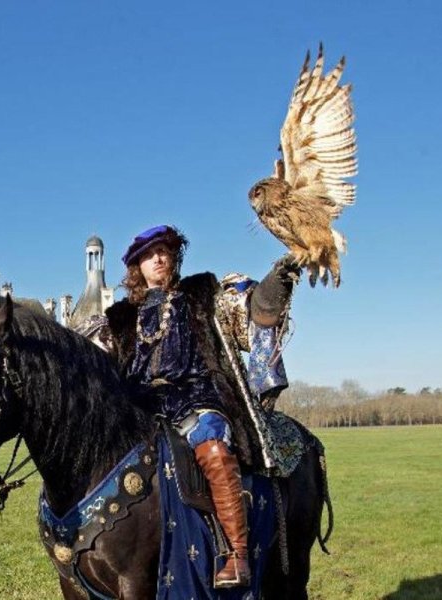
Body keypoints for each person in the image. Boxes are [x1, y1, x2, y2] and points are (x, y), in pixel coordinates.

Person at [102, 225, 298, 589]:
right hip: (140, 405)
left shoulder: (202, 294)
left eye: (164, 250)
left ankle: (236, 554)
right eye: (149, 254)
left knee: (213, 445)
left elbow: (256, 310)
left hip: (196, 396)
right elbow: (87, 359)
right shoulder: (119, 318)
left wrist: (277, 281)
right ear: (136, 266)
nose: (158, 258)